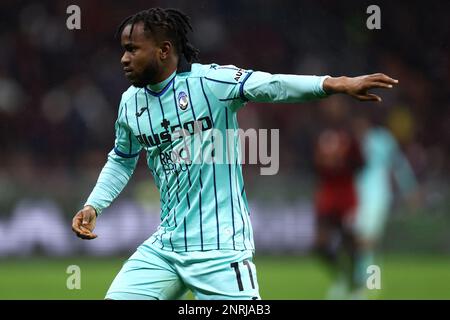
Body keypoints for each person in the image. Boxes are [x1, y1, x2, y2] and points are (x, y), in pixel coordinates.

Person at [71, 7, 398, 300]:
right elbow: (122, 159)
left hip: (221, 250)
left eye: (132, 49)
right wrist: (94, 204)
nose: (123, 58)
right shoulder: (130, 103)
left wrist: (336, 83)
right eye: (123, 50)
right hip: (165, 248)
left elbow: (273, 86)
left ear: (163, 50)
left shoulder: (210, 83)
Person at [351, 115, 419, 299]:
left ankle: (371, 283)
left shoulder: (383, 140)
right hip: (355, 197)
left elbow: (399, 165)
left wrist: (410, 189)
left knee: (367, 241)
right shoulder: (352, 142)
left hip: (377, 197)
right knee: (358, 242)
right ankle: (363, 281)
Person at [312, 103, 364, 299]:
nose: (332, 110)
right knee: (320, 245)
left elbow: (362, 163)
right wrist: (323, 164)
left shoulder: (350, 136)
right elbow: (314, 165)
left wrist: (342, 165)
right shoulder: (320, 135)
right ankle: (342, 277)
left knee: (349, 243)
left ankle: (355, 284)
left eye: (337, 107)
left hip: (346, 195)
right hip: (327, 196)